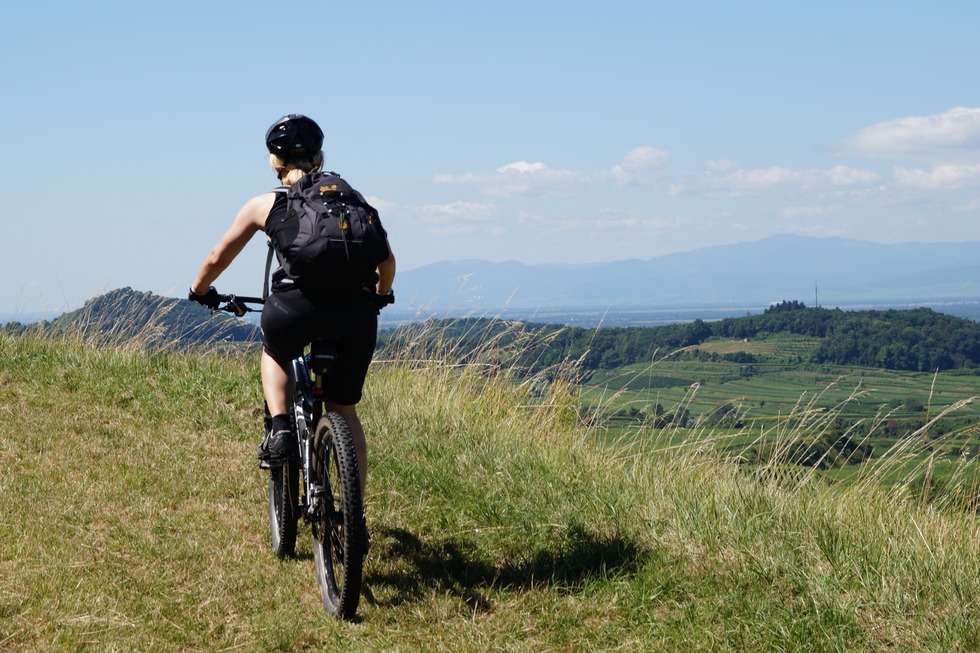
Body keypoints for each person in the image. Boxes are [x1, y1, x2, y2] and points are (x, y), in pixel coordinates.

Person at [188, 114, 395, 495]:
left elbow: (218, 257)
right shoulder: (351, 200)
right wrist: (380, 296)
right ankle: (355, 514)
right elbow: (386, 262)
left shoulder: (265, 204)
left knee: (275, 350)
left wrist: (199, 290)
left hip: (295, 310)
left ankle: (281, 426)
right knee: (345, 412)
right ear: (319, 157)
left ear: (275, 162)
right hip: (355, 316)